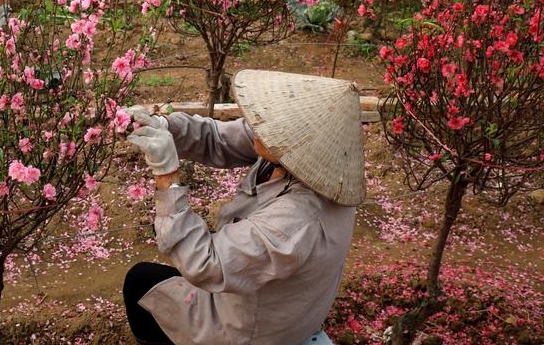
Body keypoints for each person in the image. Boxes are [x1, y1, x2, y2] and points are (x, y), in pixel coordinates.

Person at [122, 70, 366, 345]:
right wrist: (165, 127)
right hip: (280, 303)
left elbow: (206, 264)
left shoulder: (297, 220)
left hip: (252, 330)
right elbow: (218, 138)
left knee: (139, 282)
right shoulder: (302, 155)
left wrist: (167, 176)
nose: (257, 124)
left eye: (270, 123)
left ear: (301, 141)